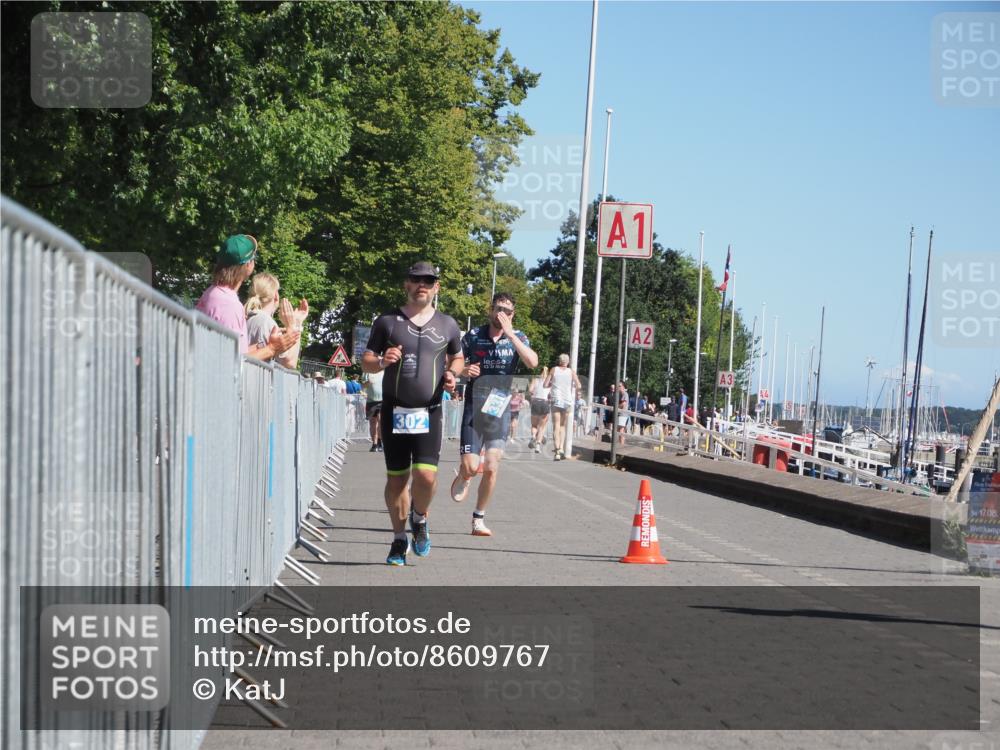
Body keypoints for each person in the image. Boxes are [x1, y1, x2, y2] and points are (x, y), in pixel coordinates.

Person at [362, 262, 463, 566]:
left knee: (426, 477)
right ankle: (398, 540)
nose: (422, 284)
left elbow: (457, 357)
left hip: (428, 411)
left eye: (429, 280)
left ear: (437, 287)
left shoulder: (448, 324)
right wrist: (381, 360)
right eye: (416, 279)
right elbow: (365, 360)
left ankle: (419, 518)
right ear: (407, 284)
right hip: (394, 411)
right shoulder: (387, 322)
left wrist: (453, 374)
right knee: (396, 481)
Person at [450, 292, 538, 537]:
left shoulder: (518, 337)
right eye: (498, 309)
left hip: (498, 407)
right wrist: (464, 369)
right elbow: (452, 363)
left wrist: (511, 335)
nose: (502, 315)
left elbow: (532, 362)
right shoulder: (474, 336)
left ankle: (478, 518)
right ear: (490, 310)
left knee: (491, 466)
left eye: (507, 311)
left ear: (513, 315)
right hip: (473, 406)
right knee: (471, 466)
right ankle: (466, 475)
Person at [195, 234, 299, 360]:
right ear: (248, 265)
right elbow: (233, 361)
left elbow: (231, 353)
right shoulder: (229, 305)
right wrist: (272, 348)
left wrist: (263, 345)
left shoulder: (213, 293)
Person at [245, 272, 309, 369]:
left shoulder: (247, 316)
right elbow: (290, 363)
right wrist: (295, 325)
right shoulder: (267, 322)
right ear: (276, 295)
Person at [543, 354, 582, 461]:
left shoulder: (554, 370)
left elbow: (545, 385)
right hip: (567, 400)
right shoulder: (571, 372)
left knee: (556, 426)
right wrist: (571, 386)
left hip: (556, 400)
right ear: (568, 362)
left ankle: (557, 451)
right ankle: (561, 448)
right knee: (562, 426)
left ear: (559, 361)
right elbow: (579, 385)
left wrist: (553, 384)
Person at [528, 366, 551, 453]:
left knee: (534, 425)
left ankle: (533, 436)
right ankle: (538, 446)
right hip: (544, 403)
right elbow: (551, 394)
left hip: (535, 402)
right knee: (542, 427)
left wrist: (534, 393)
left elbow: (530, 390)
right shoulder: (550, 382)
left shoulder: (535, 380)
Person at [364, 369, 384, 452]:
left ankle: (380, 442)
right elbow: (363, 385)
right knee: (372, 423)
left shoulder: (385, 371)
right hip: (371, 401)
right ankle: (374, 444)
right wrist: (367, 383)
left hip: (383, 400)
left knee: (381, 421)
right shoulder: (367, 372)